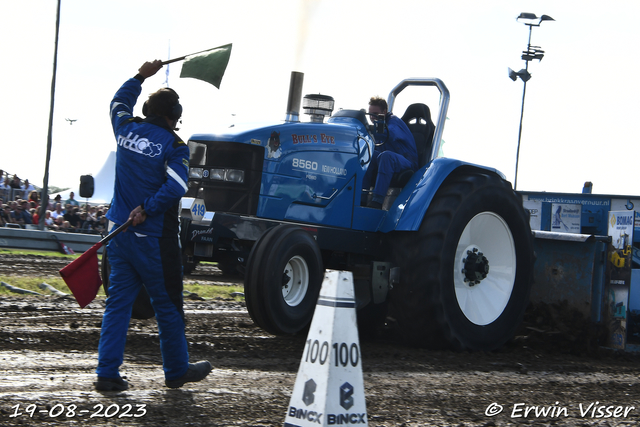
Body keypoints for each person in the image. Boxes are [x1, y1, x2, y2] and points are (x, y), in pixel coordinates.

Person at [95, 59, 211, 392]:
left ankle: (107, 373)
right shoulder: (175, 146)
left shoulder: (125, 128)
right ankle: (176, 370)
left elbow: (117, 103)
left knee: (118, 304)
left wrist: (139, 76)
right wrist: (147, 208)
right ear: (174, 116)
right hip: (154, 240)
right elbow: (176, 186)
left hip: (119, 233)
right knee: (168, 305)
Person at [362, 96, 418, 209]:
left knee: (386, 156)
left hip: (406, 162)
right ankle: (361, 198)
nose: (372, 117)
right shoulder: (378, 126)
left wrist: (374, 129)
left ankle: (377, 201)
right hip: (388, 160)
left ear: (384, 112)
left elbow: (391, 133)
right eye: (370, 114)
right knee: (368, 155)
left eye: (375, 114)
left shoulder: (394, 122)